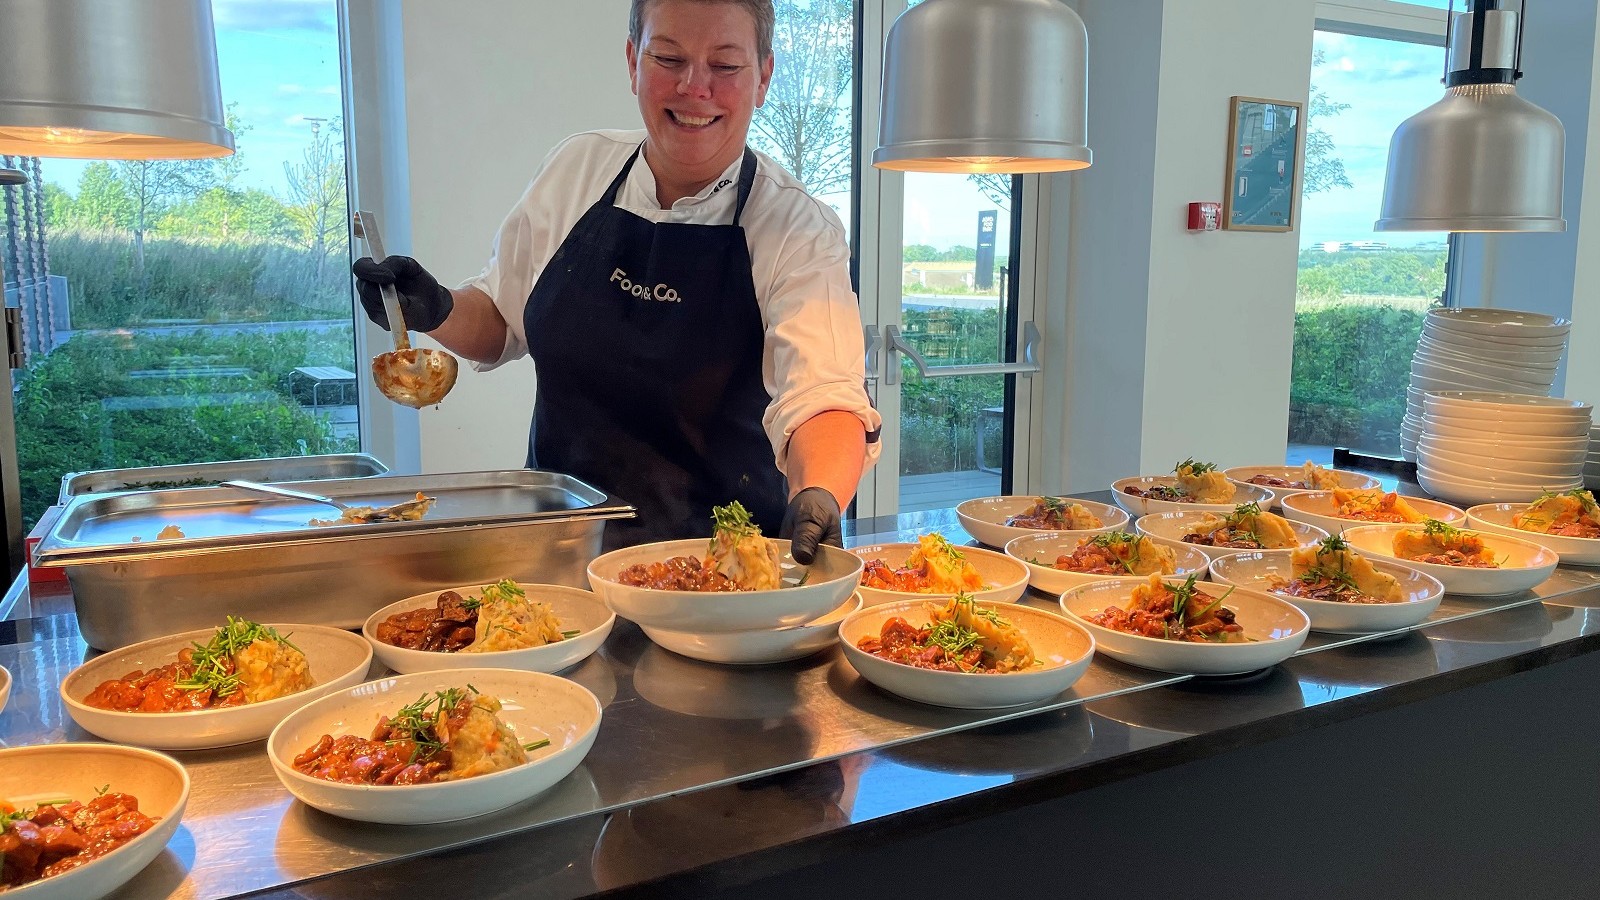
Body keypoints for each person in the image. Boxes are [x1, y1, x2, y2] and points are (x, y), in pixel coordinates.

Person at [352, 0, 880, 561]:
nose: (694, 86)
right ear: (633, 61)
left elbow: (824, 396)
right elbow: (501, 321)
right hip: (560, 560)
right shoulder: (576, 170)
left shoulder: (795, 226)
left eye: (725, 65)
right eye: (668, 57)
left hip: (723, 576)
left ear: (763, 77)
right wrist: (433, 309)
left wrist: (819, 491)